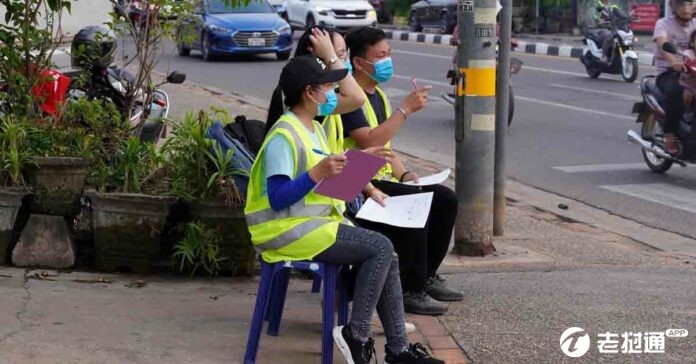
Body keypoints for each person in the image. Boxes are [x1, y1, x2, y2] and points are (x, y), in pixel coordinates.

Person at [245, 55, 443, 364]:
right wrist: (318, 172)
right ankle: (356, 334)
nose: (334, 95)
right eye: (329, 88)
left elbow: (326, 181)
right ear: (310, 92)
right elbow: (278, 198)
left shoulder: (314, 129)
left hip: (314, 225)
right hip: (284, 231)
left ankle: (399, 350)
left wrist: (360, 163)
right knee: (381, 248)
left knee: (387, 254)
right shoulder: (283, 136)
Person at [336, 26, 462, 316]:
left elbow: (385, 149)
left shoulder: (377, 94)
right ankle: (408, 288)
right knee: (414, 205)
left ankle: (425, 275)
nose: (386, 61)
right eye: (380, 56)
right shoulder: (350, 99)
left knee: (444, 199)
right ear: (358, 62)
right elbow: (370, 139)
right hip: (354, 184)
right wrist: (404, 111)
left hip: (377, 179)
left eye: (389, 54)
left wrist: (405, 174)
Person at [654, 0, 696, 155]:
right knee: (677, 91)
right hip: (669, 72)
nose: (685, 8)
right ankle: (669, 135)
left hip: (693, 72)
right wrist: (673, 61)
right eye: (681, 4)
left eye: (689, 3)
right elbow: (662, 42)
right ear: (673, 6)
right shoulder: (663, 24)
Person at [680, 30, 696, 114]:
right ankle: (687, 111)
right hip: (689, 83)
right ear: (692, 43)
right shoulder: (688, 54)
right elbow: (684, 62)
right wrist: (685, 65)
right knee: (687, 95)